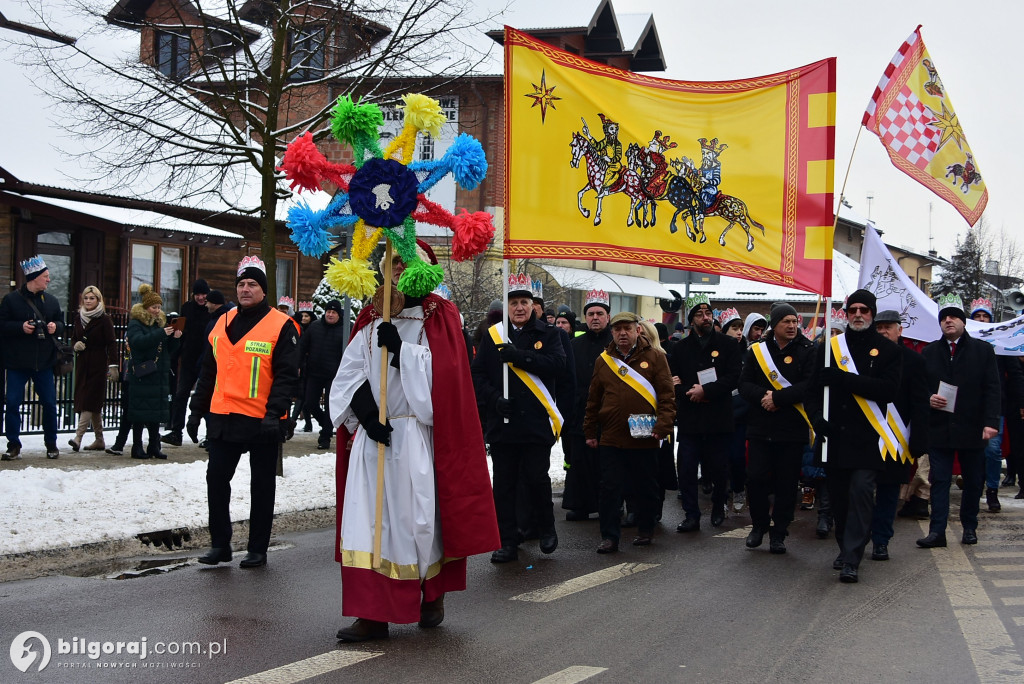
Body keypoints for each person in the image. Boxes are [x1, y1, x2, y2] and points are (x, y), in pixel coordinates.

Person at [331, 244, 498, 642]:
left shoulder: (439, 315)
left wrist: (401, 352)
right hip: (375, 440)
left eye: (407, 261)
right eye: (394, 262)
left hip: (416, 436)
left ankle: (429, 594)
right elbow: (349, 372)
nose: (401, 267)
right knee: (367, 524)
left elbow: (447, 380)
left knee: (417, 523)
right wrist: (367, 415)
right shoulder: (371, 318)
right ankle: (371, 613)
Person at [187, 256, 300, 568]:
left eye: (252, 284)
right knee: (216, 478)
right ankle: (220, 545)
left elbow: (287, 377)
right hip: (223, 416)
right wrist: (196, 412)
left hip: (262, 419)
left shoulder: (281, 325)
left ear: (263, 290)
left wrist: (275, 415)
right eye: (241, 284)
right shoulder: (222, 323)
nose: (246, 289)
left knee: (262, 485)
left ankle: (257, 548)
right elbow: (208, 372)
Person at [474, 272, 565, 563]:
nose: (519, 307)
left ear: (533, 305)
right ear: (507, 306)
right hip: (503, 423)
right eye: (514, 302)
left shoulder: (548, 334)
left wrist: (521, 357)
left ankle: (547, 529)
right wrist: (494, 400)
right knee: (504, 485)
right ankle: (507, 541)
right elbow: (477, 374)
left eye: (524, 301)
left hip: (536, 422)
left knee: (537, 479)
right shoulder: (493, 335)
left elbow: (557, 365)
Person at [811, 290, 901, 583]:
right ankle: (844, 546)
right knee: (839, 499)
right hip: (835, 436)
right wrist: (817, 420)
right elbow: (812, 389)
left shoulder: (887, 350)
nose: (858, 314)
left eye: (864, 309)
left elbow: (888, 390)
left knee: (861, 493)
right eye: (853, 310)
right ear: (846, 313)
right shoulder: (828, 348)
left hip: (868, 438)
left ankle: (852, 558)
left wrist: (845, 379)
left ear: (872, 314)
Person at [584, 312, 675, 552]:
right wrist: (590, 430)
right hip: (612, 436)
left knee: (645, 486)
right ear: (612, 332)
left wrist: (663, 426)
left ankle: (645, 530)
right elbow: (593, 399)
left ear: (638, 330)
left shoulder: (655, 357)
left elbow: (667, 395)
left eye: (627, 328)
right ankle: (610, 537)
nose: (622, 333)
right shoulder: (603, 360)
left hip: (645, 435)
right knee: (610, 489)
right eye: (618, 329)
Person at [917, 293, 1000, 549]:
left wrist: (990, 422)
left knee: (973, 480)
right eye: (944, 318)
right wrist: (928, 398)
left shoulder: (982, 351)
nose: (948, 321)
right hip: (940, 428)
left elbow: (992, 389)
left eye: (953, 316)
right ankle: (937, 531)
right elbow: (919, 388)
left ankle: (969, 526)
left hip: (971, 427)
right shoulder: (929, 352)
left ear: (964, 322)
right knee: (939, 480)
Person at [739, 302, 815, 554]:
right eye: (787, 322)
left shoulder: (807, 351)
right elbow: (745, 384)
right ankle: (759, 526)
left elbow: (809, 385)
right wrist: (765, 396)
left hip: (791, 429)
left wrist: (779, 399)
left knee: (786, 483)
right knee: (757, 478)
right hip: (761, 426)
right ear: (776, 324)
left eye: (795, 322)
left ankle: (779, 532)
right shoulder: (757, 350)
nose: (793, 326)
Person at [671, 294, 741, 532]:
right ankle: (692, 514)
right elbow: (673, 380)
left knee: (719, 468)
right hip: (690, 419)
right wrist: (687, 392)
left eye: (708, 314)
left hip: (717, 418)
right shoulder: (680, 348)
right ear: (691, 320)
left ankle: (719, 506)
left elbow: (733, 377)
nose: (705, 318)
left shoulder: (728, 345)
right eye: (700, 315)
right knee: (687, 468)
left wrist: (706, 391)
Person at [869, 310, 929, 562]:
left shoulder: (914, 361)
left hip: (896, 438)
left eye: (888, 327)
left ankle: (881, 541)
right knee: (859, 493)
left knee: (888, 492)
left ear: (900, 330)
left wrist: (919, 440)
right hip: (868, 436)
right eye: (879, 327)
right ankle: (855, 540)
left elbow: (920, 404)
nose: (883, 331)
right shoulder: (866, 358)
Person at [0, 256, 65, 460]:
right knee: (12, 403)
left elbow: (61, 323)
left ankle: (52, 444)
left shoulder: (52, 301)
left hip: (43, 363)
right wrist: (20, 327)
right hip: (17, 363)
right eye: (45, 276)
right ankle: (13, 444)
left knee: (49, 403)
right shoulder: (11, 300)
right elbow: (2, 326)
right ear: (34, 277)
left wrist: (56, 327)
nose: (48, 280)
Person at [969, 298, 1024, 513]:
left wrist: (1020, 402)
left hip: (996, 406)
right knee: (972, 451)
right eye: (978, 317)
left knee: (992, 450)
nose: (982, 320)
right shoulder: (966, 343)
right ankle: (974, 489)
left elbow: (1016, 376)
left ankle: (992, 490)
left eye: (985, 317)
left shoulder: (1003, 344)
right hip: (970, 406)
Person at [562, 289, 613, 521]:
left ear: (608, 317)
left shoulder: (616, 343)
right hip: (580, 412)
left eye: (599, 313)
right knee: (580, 461)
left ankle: (609, 504)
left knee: (607, 463)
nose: (595, 317)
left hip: (610, 413)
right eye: (590, 313)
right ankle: (580, 504)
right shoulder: (574, 344)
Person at [125, 284, 181, 460]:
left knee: (156, 414)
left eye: (159, 307)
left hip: (159, 374)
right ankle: (137, 447)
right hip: (143, 373)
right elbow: (138, 342)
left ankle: (154, 446)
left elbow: (167, 350)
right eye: (154, 307)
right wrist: (161, 334)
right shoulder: (136, 323)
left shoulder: (160, 324)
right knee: (140, 414)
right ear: (145, 307)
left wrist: (175, 339)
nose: (157, 310)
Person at [68, 286, 118, 452]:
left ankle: (78, 437)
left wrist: (113, 365)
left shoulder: (104, 319)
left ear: (98, 300)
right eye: (86, 298)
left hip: (97, 363)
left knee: (89, 400)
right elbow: (73, 338)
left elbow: (111, 342)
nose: (88, 301)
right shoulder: (78, 318)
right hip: (82, 363)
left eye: (92, 298)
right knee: (93, 402)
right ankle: (99, 439)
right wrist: (75, 345)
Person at [162, 279, 211, 446]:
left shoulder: (211, 309)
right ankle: (176, 431)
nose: (201, 297)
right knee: (180, 395)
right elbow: (180, 333)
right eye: (197, 294)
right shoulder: (187, 308)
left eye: (203, 294)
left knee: (206, 397)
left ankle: (211, 435)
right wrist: (174, 356)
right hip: (189, 359)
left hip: (206, 360)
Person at [299, 299, 347, 450]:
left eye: (333, 312)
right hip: (314, 372)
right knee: (310, 403)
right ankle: (325, 424)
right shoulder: (315, 327)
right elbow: (302, 347)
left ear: (339, 315)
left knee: (330, 406)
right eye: (328, 312)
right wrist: (299, 364)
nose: (330, 315)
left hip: (335, 375)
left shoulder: (347, 329)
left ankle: (325, 437)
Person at [718, 308, 748, 512]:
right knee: (719, 459)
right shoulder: (717, 351)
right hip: (719, 412)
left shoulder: (750, 353)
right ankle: (721, 494)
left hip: (741, 414)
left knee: (737, 456)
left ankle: (738, 488)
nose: (738, 333)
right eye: (734, 328)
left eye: (740, 328)